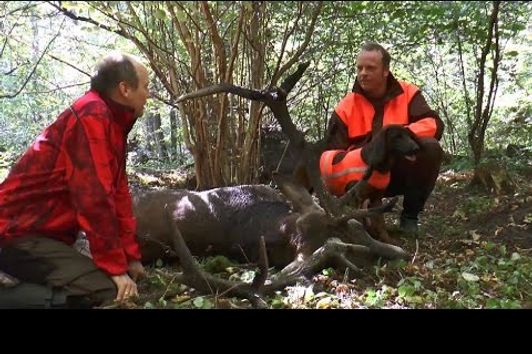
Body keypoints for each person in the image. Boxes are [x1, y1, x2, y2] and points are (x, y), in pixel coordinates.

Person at [0, 53, 149, 308]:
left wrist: (129, 257)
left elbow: (118, 194)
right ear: (125, 89)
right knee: (108, 294)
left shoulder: (114, 123)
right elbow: (93, 198)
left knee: (119, 286)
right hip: (15, 233)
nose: (149, 94)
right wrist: (115, 267)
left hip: (43, 236)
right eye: (146, 87)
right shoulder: (92, 115)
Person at [320, 42, 444, 235]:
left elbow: (433, 124)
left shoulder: (408, 93)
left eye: (370, 68)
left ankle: (410, 217)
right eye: (359, 68)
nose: (363, 73)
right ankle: (357, 217)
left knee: (430, 147)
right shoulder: (346, 106)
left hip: (399, 171)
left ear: (385, 70)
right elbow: (331, 156)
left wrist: (396, 139)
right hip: (361, 177)